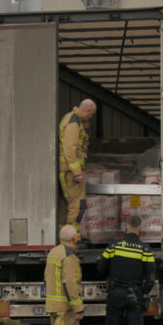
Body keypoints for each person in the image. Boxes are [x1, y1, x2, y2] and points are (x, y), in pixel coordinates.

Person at [97, 215, 156, 325]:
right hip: (134, 295)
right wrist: (141, 292)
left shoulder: (113, 247)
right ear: (140, 230)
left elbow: (101, 268)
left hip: (115, 293)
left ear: (126, 228)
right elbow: (151, 278)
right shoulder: (145, 250)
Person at [44, 225, 85, 325]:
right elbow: (71, 285)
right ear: (74, 239)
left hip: (53, 305)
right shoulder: (69, 257)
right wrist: (78, 308)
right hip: (64, 307)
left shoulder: (54, 252)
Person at [59, 99, 97, 235]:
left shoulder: (73, 119)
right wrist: (76, 172)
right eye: (91, 114)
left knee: (68, 205)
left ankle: (65, 235)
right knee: (77, 205)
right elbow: (70, 148)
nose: (90, 117)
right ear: (87, 110)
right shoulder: (74, 122)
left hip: (68, 170)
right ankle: (72, 238)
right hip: (71, 172)